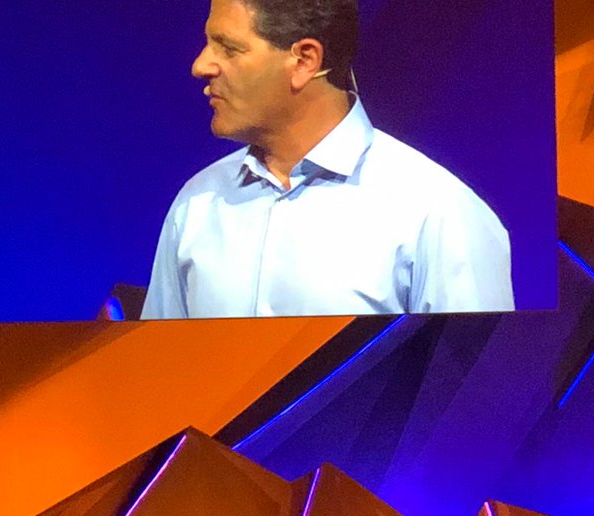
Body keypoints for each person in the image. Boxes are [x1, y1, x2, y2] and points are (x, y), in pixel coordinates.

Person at [141, 0, 514, 319]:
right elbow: (158, 363)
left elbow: (477, 372)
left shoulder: (437, 212)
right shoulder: (197, 203)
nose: (201, 65)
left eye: (228, 48)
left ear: (305, 60)